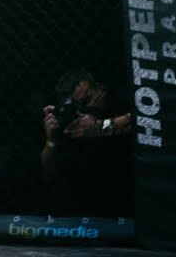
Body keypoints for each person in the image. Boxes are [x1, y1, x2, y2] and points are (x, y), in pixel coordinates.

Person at [40, 68, 134, 216]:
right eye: (78, 105)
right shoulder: (71, 122)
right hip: (88, 202)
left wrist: (100, 127)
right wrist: (51, 139)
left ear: (100, 90)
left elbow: (143, 120)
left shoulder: (119, 98)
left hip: (130, 187)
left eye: (87, 99)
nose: (87, 108)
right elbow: (48, 175)